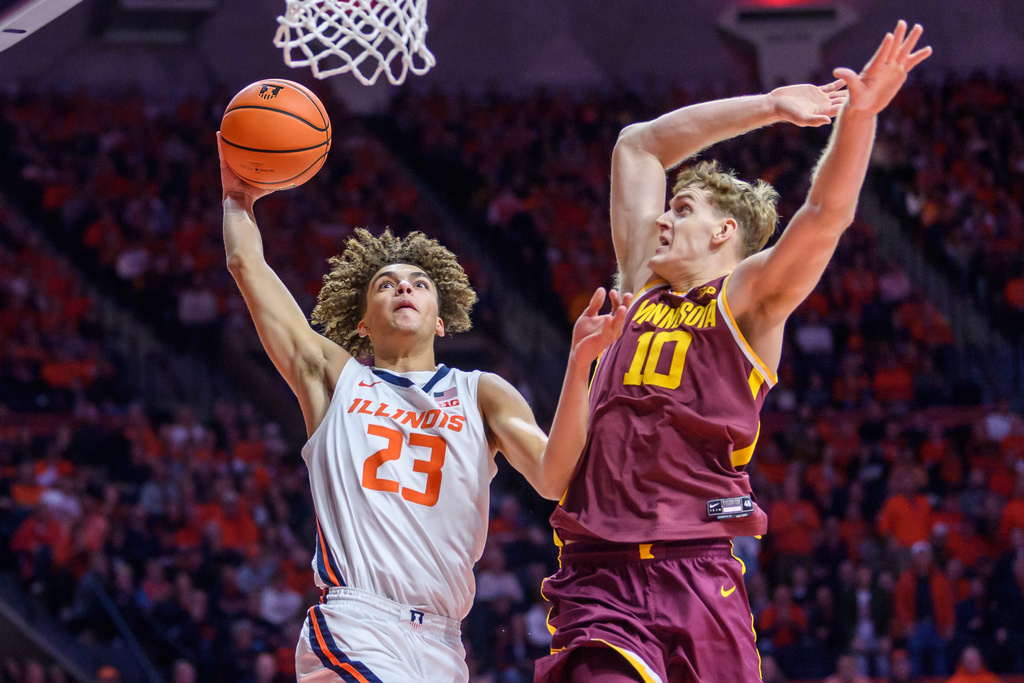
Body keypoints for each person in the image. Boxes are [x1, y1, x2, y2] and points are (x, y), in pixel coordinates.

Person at [535, 21, 931, 683]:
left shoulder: (747, 298)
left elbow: (826, 214)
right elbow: (639, 146)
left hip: (698, 566)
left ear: (724, 231)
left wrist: (859, 119)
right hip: (600, 575)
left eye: (681, 208)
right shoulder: (636, 283)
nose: (661, 217)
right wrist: (772, 104)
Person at [218, 136, 630, 683]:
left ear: (441, 319)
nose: (403, 288)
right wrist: (237, 199)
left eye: (419, 284)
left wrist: (580, 366)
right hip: (355, 621)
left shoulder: (482, 392)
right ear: (362, 322)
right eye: (386, 284)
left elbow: (555, 478)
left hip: (442, 642)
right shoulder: (335, 379)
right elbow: (246, 262)